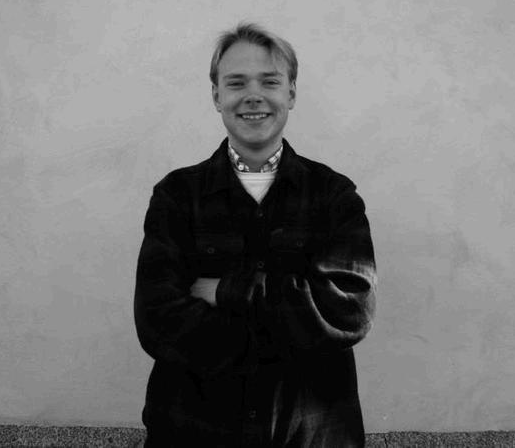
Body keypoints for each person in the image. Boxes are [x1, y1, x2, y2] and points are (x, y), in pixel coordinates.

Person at [134, 22, 377, 447]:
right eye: (236, 83)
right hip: (194, 434)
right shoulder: (176, 196)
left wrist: (225, 291)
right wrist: (291, 325)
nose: (253, 95)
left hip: (313, 435)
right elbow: (157, 319)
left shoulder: (334, 196)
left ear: (291, 93)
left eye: (270, 81)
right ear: (216, 96)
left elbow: (349, 311)